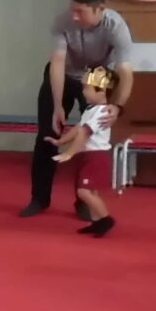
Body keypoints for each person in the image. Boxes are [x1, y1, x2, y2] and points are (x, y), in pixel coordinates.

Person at [24, 0, 136, 220]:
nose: (74, 16)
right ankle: (39, 198)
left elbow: (125, 71)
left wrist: (117, 106)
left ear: (100, 8)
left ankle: (83, 200)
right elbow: (57, 62)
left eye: (81, 11)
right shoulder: (62, 21)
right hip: (63, 75)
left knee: (90, 140)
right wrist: (57, 106)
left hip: (96, 79)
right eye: (72, 9)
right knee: (47, 135)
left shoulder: (116, 27)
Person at [45, 66, 120, 239]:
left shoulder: (101, 112)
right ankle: (96, 222)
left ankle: (106, 219)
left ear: (102, 91)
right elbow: (78, 128)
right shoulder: (90, 109)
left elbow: (84, 133)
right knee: (91, 191)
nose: (83, 92)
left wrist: (69, 153)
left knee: (83, 192)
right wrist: (61, 141)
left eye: (87, 88)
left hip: (97, 157)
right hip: (89, 155)